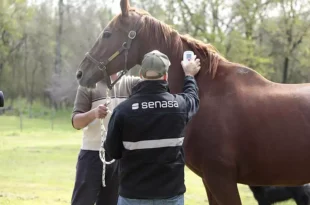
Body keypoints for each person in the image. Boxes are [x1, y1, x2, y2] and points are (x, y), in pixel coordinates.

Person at [104, 50, 201, 205]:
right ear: (165, 76)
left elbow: (112, 151)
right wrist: (189, 75)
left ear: (141, 75)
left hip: (132, 195)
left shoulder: (122, 111)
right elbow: (193, 99)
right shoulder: (180, 105)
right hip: (171, 195)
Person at [71, 73, 140, 205]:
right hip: (91, 155)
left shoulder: (131, 84)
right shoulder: (88, 85)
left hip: (119, 158)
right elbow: (76, 122)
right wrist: (94, 113)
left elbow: (156, 80)